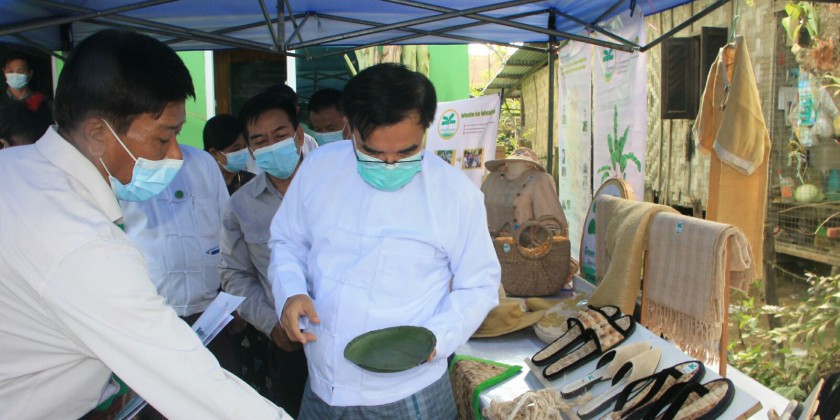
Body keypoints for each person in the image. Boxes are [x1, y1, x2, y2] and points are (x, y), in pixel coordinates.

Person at [0, 29, 288, 419]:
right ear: (98, 134)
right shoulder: (81, 243)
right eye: (163, 138)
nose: (176, 155)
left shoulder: (13, 169)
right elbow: (186, 379)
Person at [269, 63, 501, 418]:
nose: (391, 164)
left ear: (425, 129)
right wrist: (290, 291)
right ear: (349, 127)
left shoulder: (454, 194)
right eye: (374, 153)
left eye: (407, 152)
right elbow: (287, 241)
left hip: (409, 391)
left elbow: (479, 284)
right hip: (322, 386)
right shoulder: (318, 169)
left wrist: (435, 339)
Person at [220, 90, 313, 417]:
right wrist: (271, 324)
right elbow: (235, 275)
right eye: (260, 140)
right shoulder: (241, 206)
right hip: (289, 344)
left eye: (280, 135)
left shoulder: (336, 188)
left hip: (346, 336)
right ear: (251, 150)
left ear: (298, 136)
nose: (271, 146)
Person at [203, 113, 256, 194]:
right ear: (215, 153)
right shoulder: (200, 183)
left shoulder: (253, 182)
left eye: (245, 147)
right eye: (236, 149)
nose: (242, 152)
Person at [1, 52, 52, 119]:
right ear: (4, 72)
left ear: (30, 73)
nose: (15, 75)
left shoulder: (43, 102)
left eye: (20, 71)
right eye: (10, 71)